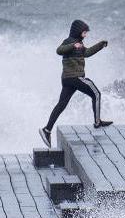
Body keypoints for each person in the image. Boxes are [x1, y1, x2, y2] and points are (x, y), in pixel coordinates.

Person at [40, 19, 113, 147]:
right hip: (75, 77)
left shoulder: (80, 43)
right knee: (96, 94)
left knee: (61, 105)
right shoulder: (69, 41)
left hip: (68, 80)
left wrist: (101, 45)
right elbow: (59, 50)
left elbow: (87, 53)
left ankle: (47, 130)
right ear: (78, 31)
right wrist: (73, 45)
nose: (85, 35)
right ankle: (97, 122)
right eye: (84, 32)